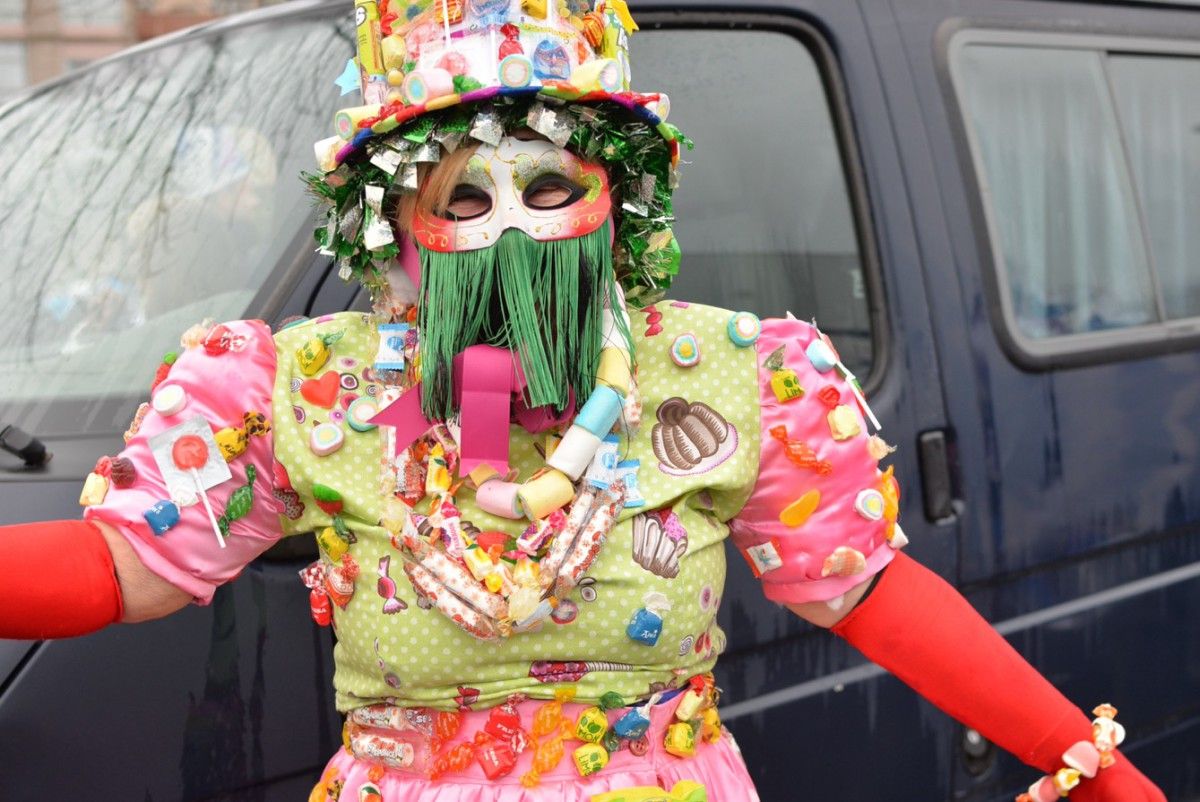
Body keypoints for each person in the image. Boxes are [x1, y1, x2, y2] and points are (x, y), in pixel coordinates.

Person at [0, 2, 1167, 801]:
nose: (511, 221)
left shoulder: (735, 371)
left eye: (548, 181)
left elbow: (867, 589)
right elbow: (122, 569)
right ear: (401, 222)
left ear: (618, 197)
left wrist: (1088, 758)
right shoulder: (299, 388)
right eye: (465, 194)